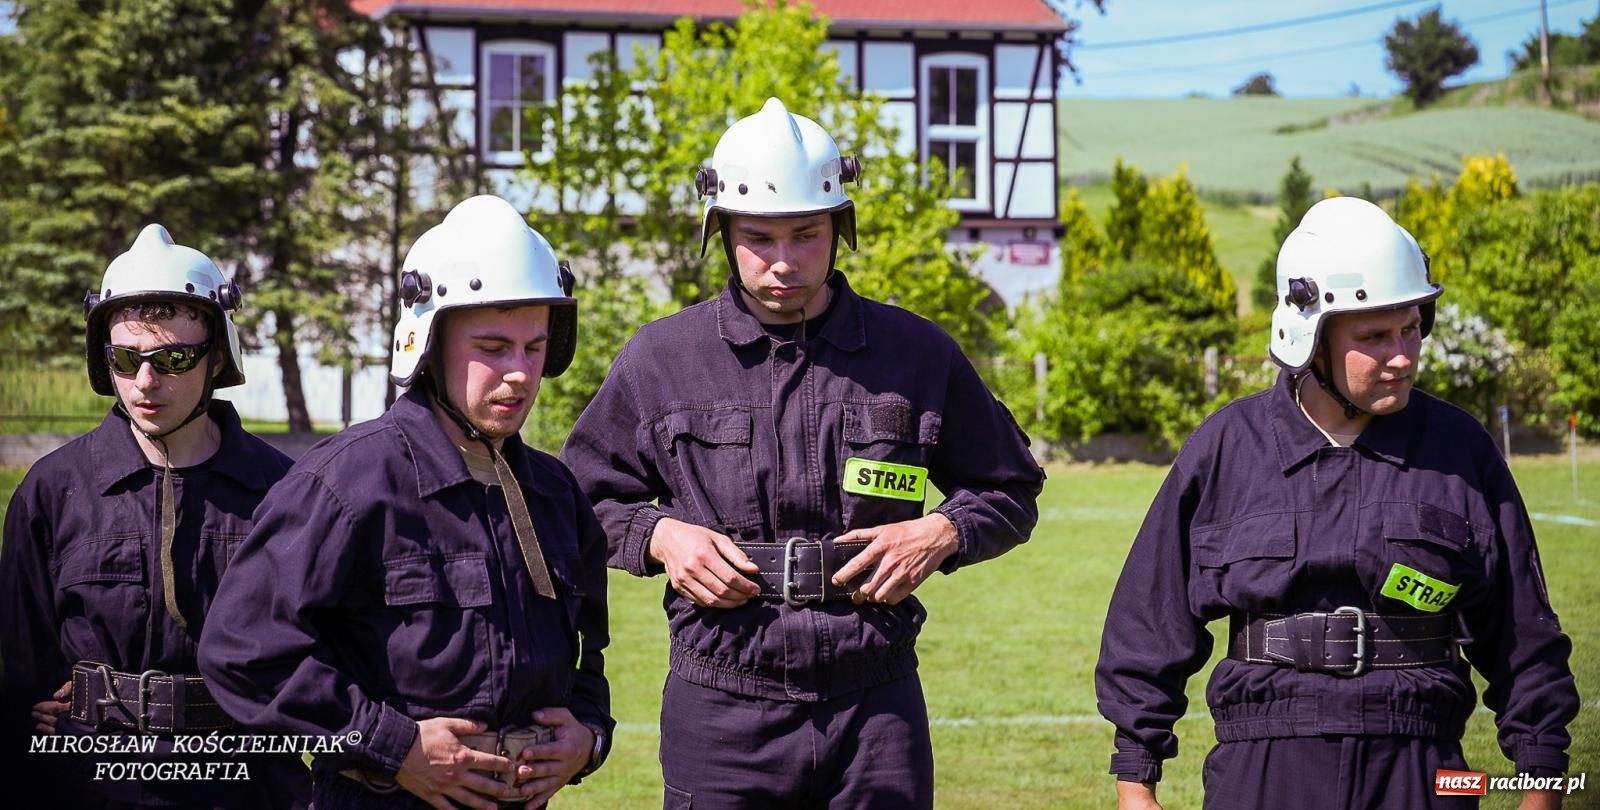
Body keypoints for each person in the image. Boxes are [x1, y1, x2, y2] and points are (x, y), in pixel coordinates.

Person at [562, 96, 1044, 809]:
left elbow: (1009, 487)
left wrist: (943, 531)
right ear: (720, 231)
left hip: (875, 703)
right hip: (721, 704)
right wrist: (659, 535)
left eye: (806, 235)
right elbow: (576, 499)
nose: (784, 262)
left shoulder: (916, 355)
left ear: (840, 227)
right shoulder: (662, 359)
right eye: (759, 237)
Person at [1096, 196, 1579, 810]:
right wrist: (1135, 786)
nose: (1402, 355)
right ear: (1310, 337)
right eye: (1375, 336)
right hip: (1263, 768)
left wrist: (1541, 786)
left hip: (1424, 769)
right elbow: (1149, 625)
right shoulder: (1225, 449)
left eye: (1411, 327)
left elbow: (1524, 641)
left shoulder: (1462, 450)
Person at [197, 195, 613, 810]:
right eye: (493, 347)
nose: (521, 373)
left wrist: (588, 738)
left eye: (534, 347)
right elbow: (242, 651)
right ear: (428, 342)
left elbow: (591, 655)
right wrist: (394, 746)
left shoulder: (554, 494)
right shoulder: (346, 484)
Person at [0, 225, 312, 809]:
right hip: (84, 784)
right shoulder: (53, 490)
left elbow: (320, 651)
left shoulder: (283, 492)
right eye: (126, 357)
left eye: (171, 357)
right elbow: (18, 672)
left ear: (216, 354)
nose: (146, 381)